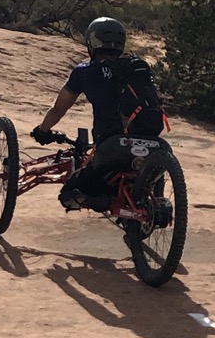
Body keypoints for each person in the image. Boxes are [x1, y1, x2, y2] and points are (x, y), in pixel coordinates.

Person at [32, 16, 166, 212]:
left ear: (92, 42)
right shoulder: (136, 68)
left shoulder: (84, 72)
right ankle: (149, 208)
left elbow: (59, 109)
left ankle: (101, 201)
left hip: (113, 145)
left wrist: (43, 130)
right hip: (155, 144)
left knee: (70, 193)